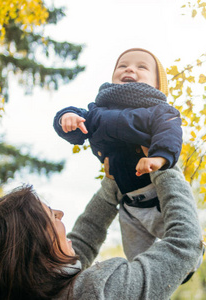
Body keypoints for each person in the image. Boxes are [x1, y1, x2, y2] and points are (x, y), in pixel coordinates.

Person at [0, 166, 203, 300]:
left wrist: (114, 183)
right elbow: (184, 245)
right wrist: (165, 166)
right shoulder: (102, 292)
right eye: (51, 216)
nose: (61, 214)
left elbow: (82, 242)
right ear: (35, 247)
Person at [52, 48, 185, 262]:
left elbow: (169, 133)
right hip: (128, 203)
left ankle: (192, 261)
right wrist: (66, 119)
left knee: (180, 238)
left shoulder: (159, 110)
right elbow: (79, 117)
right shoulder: (98, 111)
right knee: (136, 256)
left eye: (142, 67)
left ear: (158, 85)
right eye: (122, 66)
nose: (130, 68)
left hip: (158, 196)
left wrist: (158, 158)